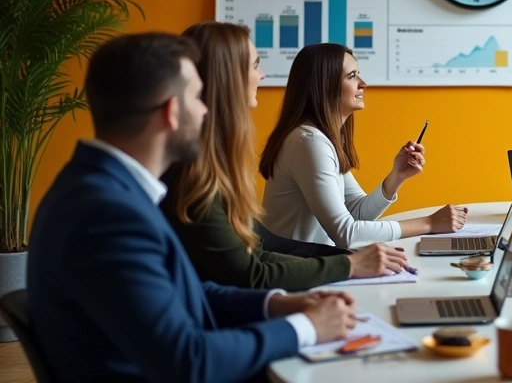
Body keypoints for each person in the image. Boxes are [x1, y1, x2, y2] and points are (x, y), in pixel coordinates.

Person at [26, 33, 356, 382]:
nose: (206, 110)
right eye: (198, 97)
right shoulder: (108, 215)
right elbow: (189, 362)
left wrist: (273, 304)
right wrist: (304, 328)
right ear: (171, 111)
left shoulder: (105, 187)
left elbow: (183, 290)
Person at [161, 22, 411, 290]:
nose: (263, 76)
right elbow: (251, 271)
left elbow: (255, 253)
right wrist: (352, 263)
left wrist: (394, 180)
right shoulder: (197, 173)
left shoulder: (214, 162)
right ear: (228, 78)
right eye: (255, 65)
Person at [260, 43, 466, 249]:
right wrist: (428, 223)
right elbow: (346, 233)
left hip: (311, 263)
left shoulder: (321, 139)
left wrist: (396, 177)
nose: (363, 83)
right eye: (352, 76)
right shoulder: (309, 143)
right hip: (295, 270)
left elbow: (356, 212)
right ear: (324, 85)